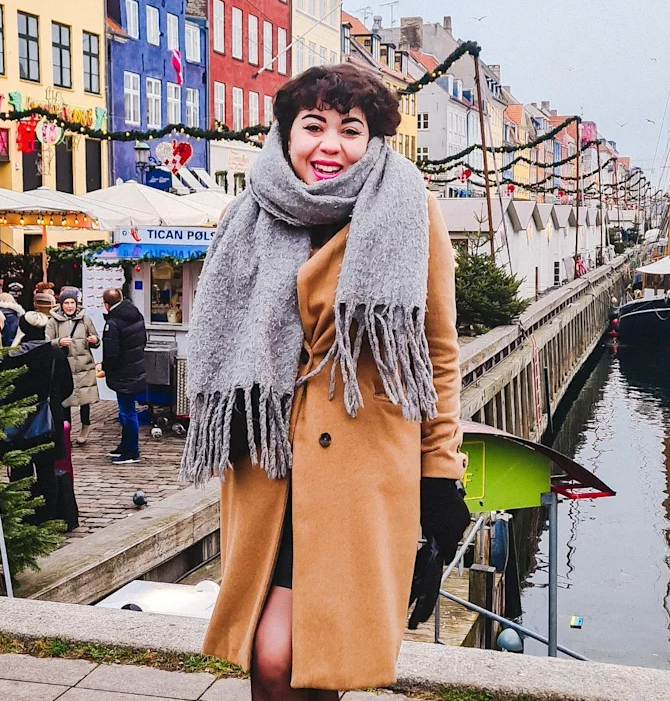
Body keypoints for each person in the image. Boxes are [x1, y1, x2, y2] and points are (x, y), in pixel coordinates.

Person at [178, 65, 470, 698]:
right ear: (287, 132)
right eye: (313, 126)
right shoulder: (248, 212)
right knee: (272, 654)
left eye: (350, 129)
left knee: (307, 654)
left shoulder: (408, 209)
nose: (329, 145)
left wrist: (441, 474)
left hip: (360, 474)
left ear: (374, 139)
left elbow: (438, 354)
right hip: (268, 465)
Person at [0, 337, 74, 526]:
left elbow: (2, 391)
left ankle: (22, 514)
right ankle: (48, 515)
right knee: (47, 469)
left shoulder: (10, 358)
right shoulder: (56, 355)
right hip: (49, 419)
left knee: (20, 469)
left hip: (18, 420)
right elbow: (68, 387)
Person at [46, 287, 100, 445]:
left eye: (72, 303)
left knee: (85, 400)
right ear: (61, 304)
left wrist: (94, 340)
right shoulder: (53, 321)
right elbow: (46, 342)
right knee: (65, 401)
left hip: (84, 366)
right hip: (64, 367)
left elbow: (96, 338)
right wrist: (58, 342)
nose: (70, 306)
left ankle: (85, 427)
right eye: (67, 303)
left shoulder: (85, 319)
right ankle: (66, 431)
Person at [100, 287, 146, 464]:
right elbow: (143, 341)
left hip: (123, 373)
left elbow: (112, 353)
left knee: (127, 413)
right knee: (127, 410)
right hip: (135, 368)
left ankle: (131, 451)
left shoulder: (113, 323)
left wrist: (105, 368)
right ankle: (125, 445)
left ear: (106, 305)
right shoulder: (136, 315)